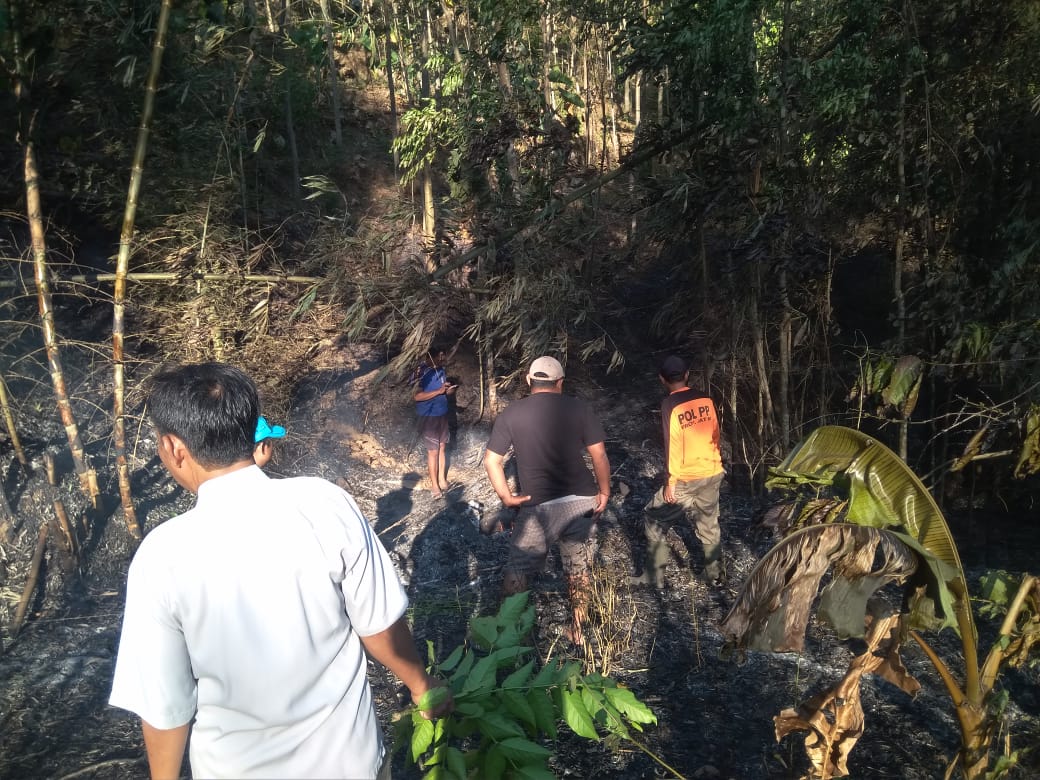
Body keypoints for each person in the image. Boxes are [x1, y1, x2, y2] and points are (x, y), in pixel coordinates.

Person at [109, 362, 449, 780]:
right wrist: (420, 685)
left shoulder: (161, 555)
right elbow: (378, 626)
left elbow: (165, 706)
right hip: (349, 764)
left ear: (174, 448)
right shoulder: (325, 503)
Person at [483, 356, 610, 644]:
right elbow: (599, 455)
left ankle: (506, 633)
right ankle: (578, 629)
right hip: (582, 500)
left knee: (519, 567)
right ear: (560, 382)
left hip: (539, 506)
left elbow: (492, 462)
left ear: (528, 381)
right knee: (577, 566)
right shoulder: (579, 408)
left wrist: (507, 497)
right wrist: (605, 491)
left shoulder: (511, 415)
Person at [636, 355, 726, 588]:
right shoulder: (706, 399)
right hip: (713, 470)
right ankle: (715, 575)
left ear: (662, 380)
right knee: (709, 523)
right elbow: (715, 435)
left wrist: (670, 482)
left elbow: (673, 445)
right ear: (687, 375)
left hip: (687, 477)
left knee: (653, 516)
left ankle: (655, 575)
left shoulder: (670, 405)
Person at [412, 347, 456, 498]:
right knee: (433, 451)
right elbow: (417, 396)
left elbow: (443, 390)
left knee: (442, 447)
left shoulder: (441, 370)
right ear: (430, 356)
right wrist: (438, 392)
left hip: (442, 413)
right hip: (428, 416)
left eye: (443, 356)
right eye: (439, 356)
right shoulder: (420, 372)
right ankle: (435, 486)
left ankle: (442, 480)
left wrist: (448, 391)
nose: (442, 359)